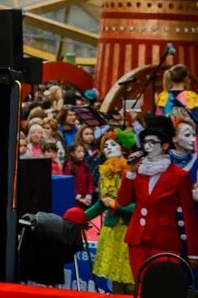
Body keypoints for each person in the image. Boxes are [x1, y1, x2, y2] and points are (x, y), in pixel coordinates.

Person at [119, 115, 198, 279]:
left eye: (152, 142)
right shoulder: (139, 172)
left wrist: (193, 252)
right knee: (141, 287)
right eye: (145, 142)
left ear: (165, 145)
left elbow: (188, 215)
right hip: (137, 241)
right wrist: (130, 173)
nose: (147, 147)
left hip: (164, 242)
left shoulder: (179, 176)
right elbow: (123, 201)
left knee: (162, 289)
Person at [81, 128, 134, 290]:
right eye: (106, 146)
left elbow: (141, 205)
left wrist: (116, 205)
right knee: (116, 281)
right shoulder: (104, 173)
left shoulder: (132, 171)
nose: (108, 148)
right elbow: (102, 204)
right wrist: (81, 217)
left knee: (131, 281)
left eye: (113, 144)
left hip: (130, 230)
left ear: (123, 148)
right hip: (112, 231)